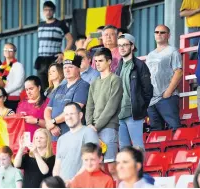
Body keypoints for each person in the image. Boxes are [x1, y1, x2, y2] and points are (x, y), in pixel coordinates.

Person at [86, 47, 123, 178]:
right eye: (95, 61)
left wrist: (95, 126)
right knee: (99, 167)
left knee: (111, 166)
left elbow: (111, 107)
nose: (97, 64)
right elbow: (89, 105)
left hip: (108, 127)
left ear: (109, 61)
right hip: (93, 129)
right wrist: (89, 124)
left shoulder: (116, 80)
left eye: (100, 60)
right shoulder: (94, 82)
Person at [115, 34, 153, 150]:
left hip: (134, 114)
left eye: (125, 45)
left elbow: (148, 90)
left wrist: (140, 106)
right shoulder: (118, 66)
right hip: (119, 114)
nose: (121, 48)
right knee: (123, 148)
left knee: (138, 147)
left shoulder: (140, 65)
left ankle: (141, 169)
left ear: (132, 46)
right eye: (119, 45)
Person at [44, 52, 90, 142]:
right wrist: (51, 124)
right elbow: (48, 109)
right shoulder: (60, 87)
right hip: (55, 135)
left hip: (72, 135)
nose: (67, 70)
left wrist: (53, 122)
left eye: (70, 67)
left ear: (78, 69)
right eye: (65, 67)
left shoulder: (83, 86)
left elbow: (74, 110)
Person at [146, 25, 183, 131]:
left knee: (174, 127)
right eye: (156, 32)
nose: (159, 34)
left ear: (168, 35)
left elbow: (179, 72)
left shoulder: (172, 51)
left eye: (162, 32)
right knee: (156, 132)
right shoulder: (150, 55)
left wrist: (168, 92)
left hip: (166, 97)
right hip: (152, 99)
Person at [53, 102, 99, 181]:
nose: (69, 117)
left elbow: (90, 161)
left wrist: (73, 182)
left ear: (80, 115)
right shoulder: (61, 139)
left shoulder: (89, 132)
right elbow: (57, 165)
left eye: (72, 114)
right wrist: (57, 183)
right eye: (66, 114)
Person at [35, 1, 73, 90]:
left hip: (54, 59)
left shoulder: (60, 24)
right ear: (43, 11)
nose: (48, 12)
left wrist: (63, 54)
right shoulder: (40, 25)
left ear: (54, 11)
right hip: (41, 60)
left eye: (50, 10)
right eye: (46, 10)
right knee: (42, 86)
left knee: (56, 85)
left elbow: (70, 39)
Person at [0, 43, 25, 111]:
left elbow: (18, 84)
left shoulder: (18, 66)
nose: (7, 51)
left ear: (14, 52)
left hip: (13, 100)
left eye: (10, 49)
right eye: (5, 49)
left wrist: (3, 92)